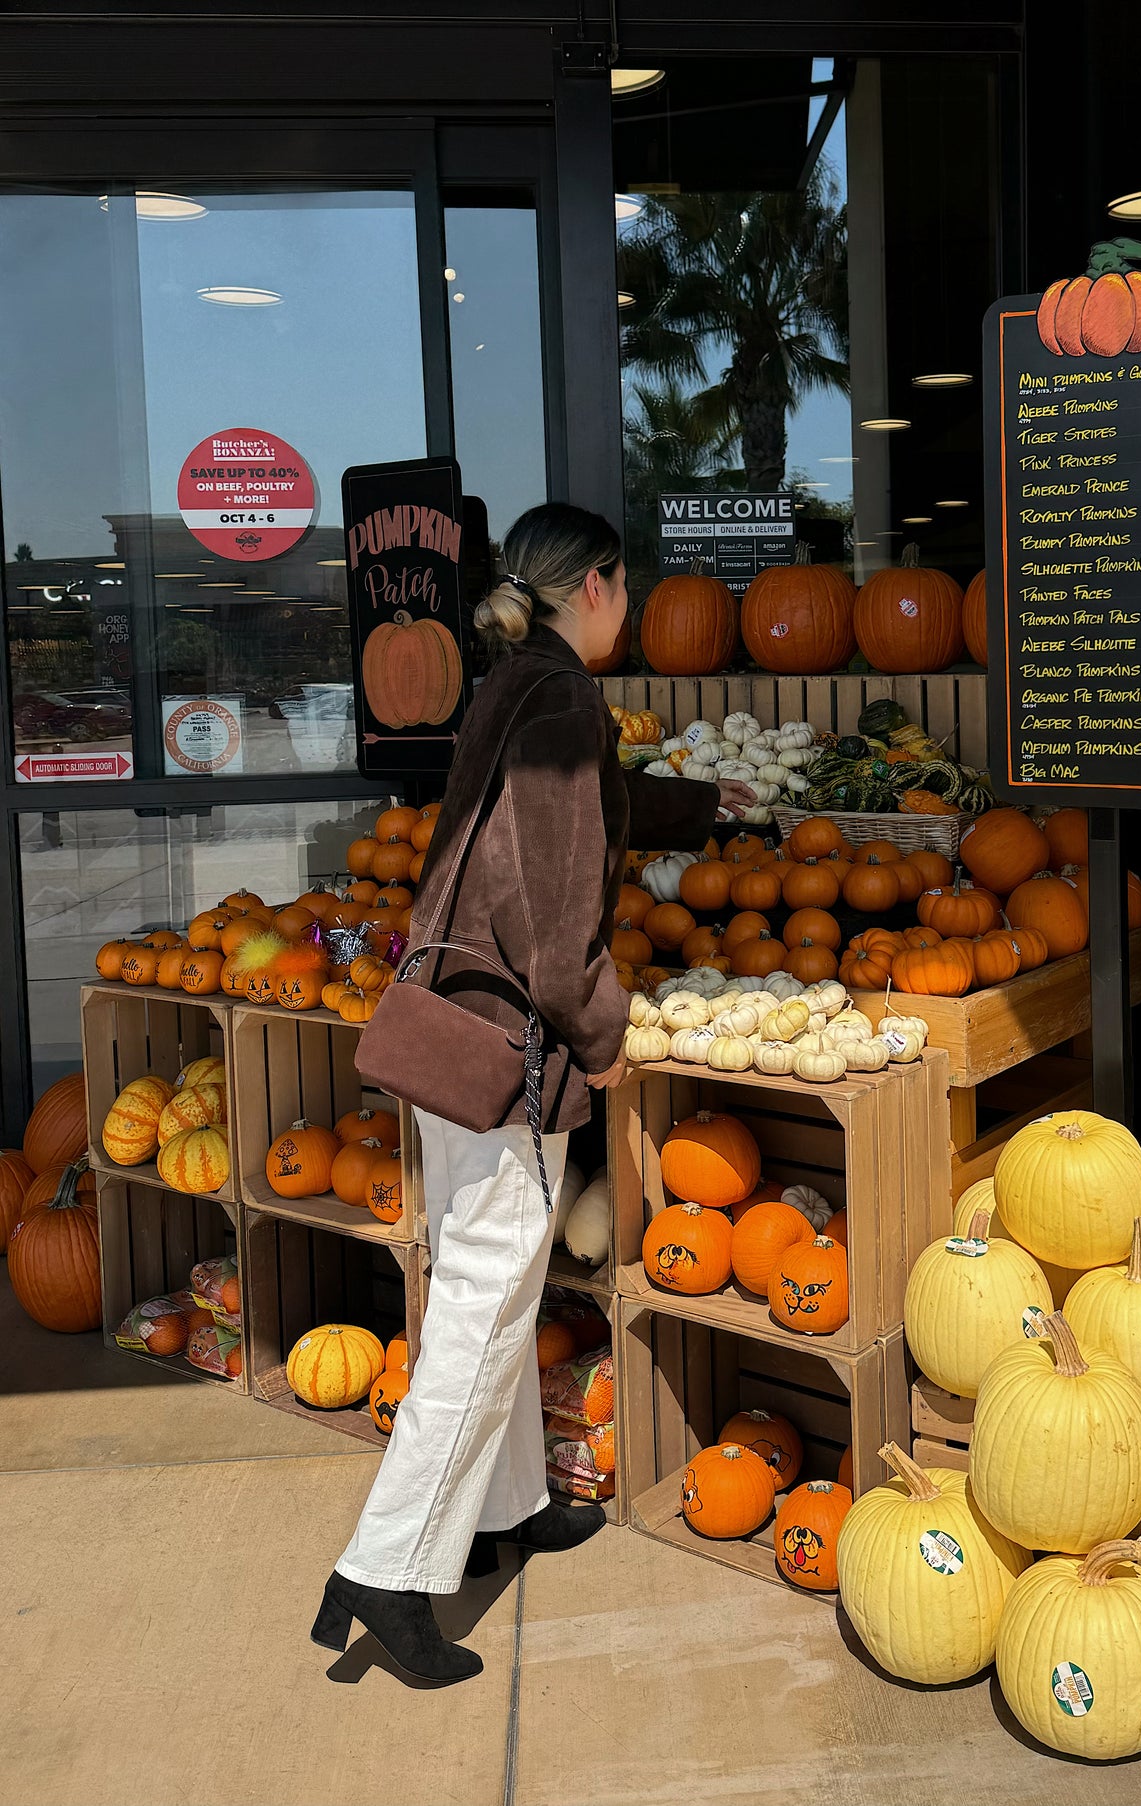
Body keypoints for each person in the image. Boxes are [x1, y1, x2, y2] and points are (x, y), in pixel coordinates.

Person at [309, 503, 753, 1683]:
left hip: (449, 1032)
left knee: (477, 1282)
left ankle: (503, 1510)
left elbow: (574, 813)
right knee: (487, 1307)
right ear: (598, 586)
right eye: (632, 588)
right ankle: (388, 1571)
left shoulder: (518, 682)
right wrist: (601, 1036)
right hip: (511, 1046)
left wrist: (704, 810)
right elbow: (558, 937)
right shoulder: (559, 697)